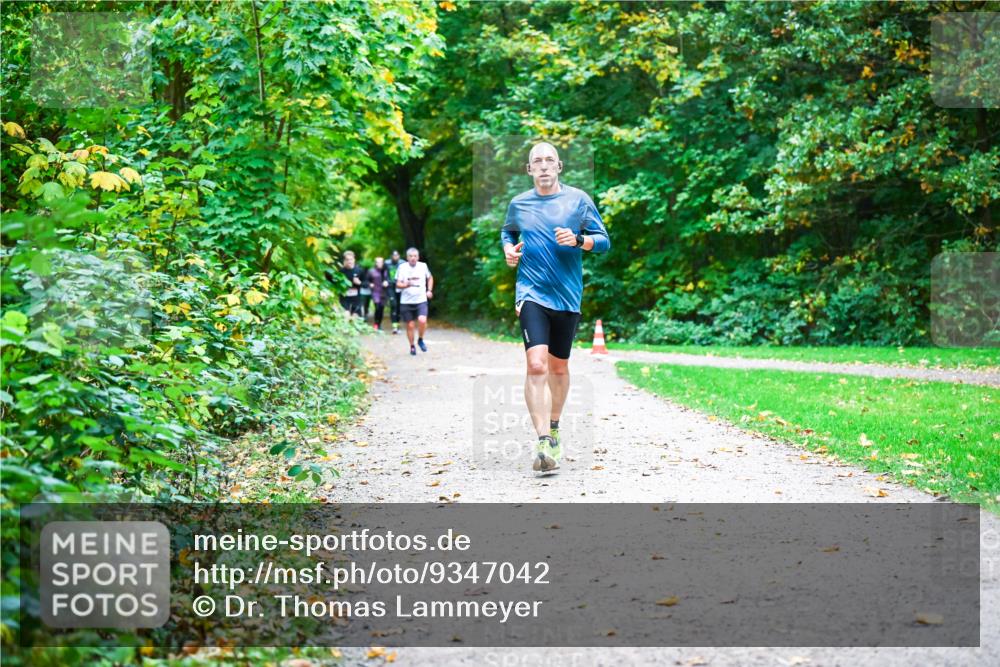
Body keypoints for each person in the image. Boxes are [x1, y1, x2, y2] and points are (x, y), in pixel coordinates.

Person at [500, 142, 610, 474]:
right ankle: (543, 441)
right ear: (529, 169)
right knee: (537, 365)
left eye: (550, 160)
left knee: (559, 368)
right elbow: (508, 232)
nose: (544, 166)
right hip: (531, 292)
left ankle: (555, 425)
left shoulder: (578, 201)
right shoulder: (519, 204)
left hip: (567, 296)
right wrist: (509, 250)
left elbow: (604, 241)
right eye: (538, 161)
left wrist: (579, 240)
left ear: (559, 166)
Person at [394, 247, 433, 356]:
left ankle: (420, 339)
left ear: (418, 257)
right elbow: (397, 284)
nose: (413, 258)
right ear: (407, 258)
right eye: (410, 256)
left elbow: (430, 278)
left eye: (415, 256)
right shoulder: (402, 268)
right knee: (410, 325)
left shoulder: (423, 266)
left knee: (422, 320)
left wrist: (429, 290)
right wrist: (406, 285)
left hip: (420, 299)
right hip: (406, 301)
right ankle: (412, 346)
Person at [336, 251, 364, 317]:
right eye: (347, 259)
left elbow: (366, 284)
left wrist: (359, 282)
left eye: (351, 259)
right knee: (346, 317)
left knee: (356, 319)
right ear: (344, 261)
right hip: (344, 299)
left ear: (354, 260)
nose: (349, 261)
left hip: (356, 299)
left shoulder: (359, 270)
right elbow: (336, 284)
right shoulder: (341, 272)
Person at [368, 257, 390, 330]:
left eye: (380, 262)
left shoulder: (386, 271)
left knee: (381, 309)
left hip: (383, 293)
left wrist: (387, 282)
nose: (379, 263)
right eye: (377, 262)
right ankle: (376, 323)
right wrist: (370, 284)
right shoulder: (371, 271)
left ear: (383, 263)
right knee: (377, 307)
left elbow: (390, 280)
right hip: (375, 292)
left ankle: (379, 324)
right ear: (375, 263)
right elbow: (366, 281)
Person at [385, 250, 404, 334]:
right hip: (390, 286)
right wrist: (384, 280)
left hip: (400, 286)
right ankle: (394, 327)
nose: (395, 257)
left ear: (399, 256)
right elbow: (381, 273)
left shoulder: (403, 263)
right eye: (394, 255)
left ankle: (398, 325)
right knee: (393, 305)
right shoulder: (387, 263)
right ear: (391, 256)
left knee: (399, 307)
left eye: (397, 255)